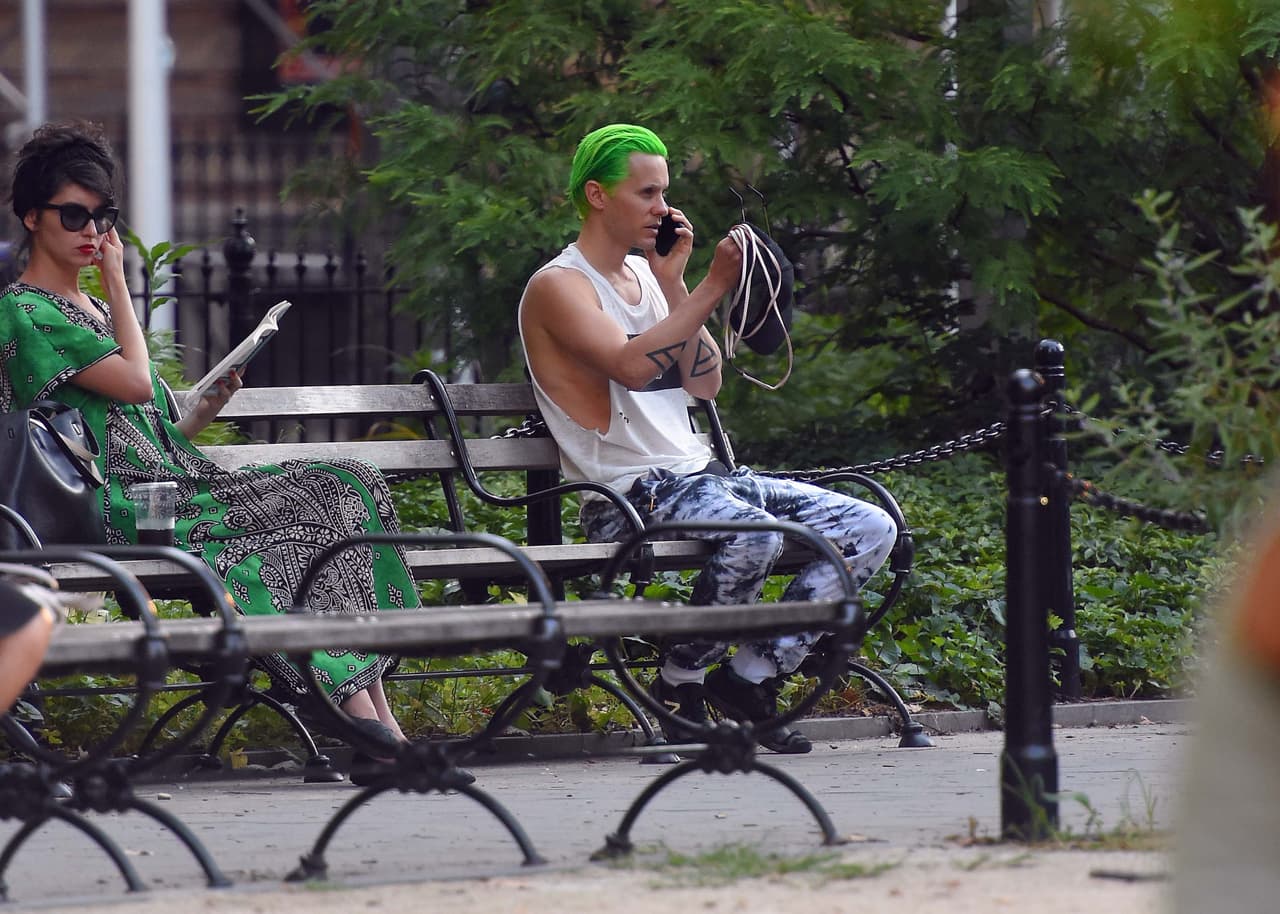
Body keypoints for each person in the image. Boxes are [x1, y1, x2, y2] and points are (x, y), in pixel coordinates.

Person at [0, 121, 413, 775]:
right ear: (32, 217)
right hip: (118, 507)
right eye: (73, 214)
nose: (91, 230)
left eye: (102, 215)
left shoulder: (94, 312)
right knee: (285, 523)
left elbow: (155, 428)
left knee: (342, 485)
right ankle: (356, 722)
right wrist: (119, 286)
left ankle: (378, 727)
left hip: (170, 486)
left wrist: (205, 404)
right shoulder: (26, 310)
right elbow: (135, 386)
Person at [518, 123, 898, 754]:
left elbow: (707, 382)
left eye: (665, 193)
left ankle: (750, 675)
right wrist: (714, 287)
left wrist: (674, 283)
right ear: (597, 195)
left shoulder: (647, 275)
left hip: (706, 482)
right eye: (646, 193)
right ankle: (680, 678)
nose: (663, 209)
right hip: (628, 495)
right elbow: (634, 367)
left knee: (870, 528)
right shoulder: (559, 286)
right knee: (758, 541)